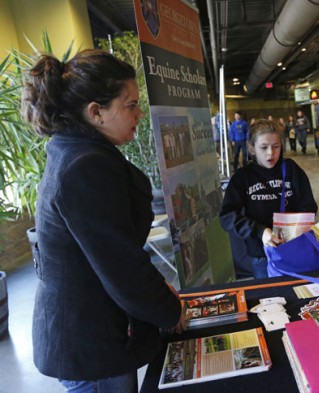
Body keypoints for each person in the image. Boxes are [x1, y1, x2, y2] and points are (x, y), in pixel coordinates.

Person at [22, 49, 185, 392]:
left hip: (93, 331)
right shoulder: (85, 165)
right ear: (95, 112)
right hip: (90, 341)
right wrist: (170, 311)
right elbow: (121, 265)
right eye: (130, 105)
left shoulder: (73, 150)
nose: (139, 114)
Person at [220, 119, 318, 278]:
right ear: (252, 149)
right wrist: (260, 231)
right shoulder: (243, 177)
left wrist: (294, 229)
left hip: (294, 249)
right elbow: (227, 216)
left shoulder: (291, 169)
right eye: (263, 148)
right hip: (262, 256)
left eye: (276, 147)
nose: (270, 153)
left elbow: (308, 205)